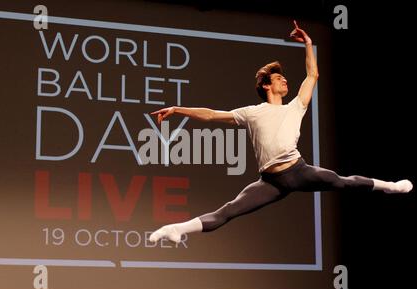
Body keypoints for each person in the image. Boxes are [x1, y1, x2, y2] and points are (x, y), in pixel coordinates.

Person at [148, 20, 413, 244]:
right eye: (278, 78)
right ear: (265, 85)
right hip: (270, 182)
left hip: (298, 170)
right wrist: (177, 109)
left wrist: (308, 44)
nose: (285, 80)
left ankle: (390, 187)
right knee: (227, 211)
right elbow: (211, 115)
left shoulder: (295, 107)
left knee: (342, 181)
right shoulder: (252, 112)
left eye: (285, 78)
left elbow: (312, 75)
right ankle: (178, 228)